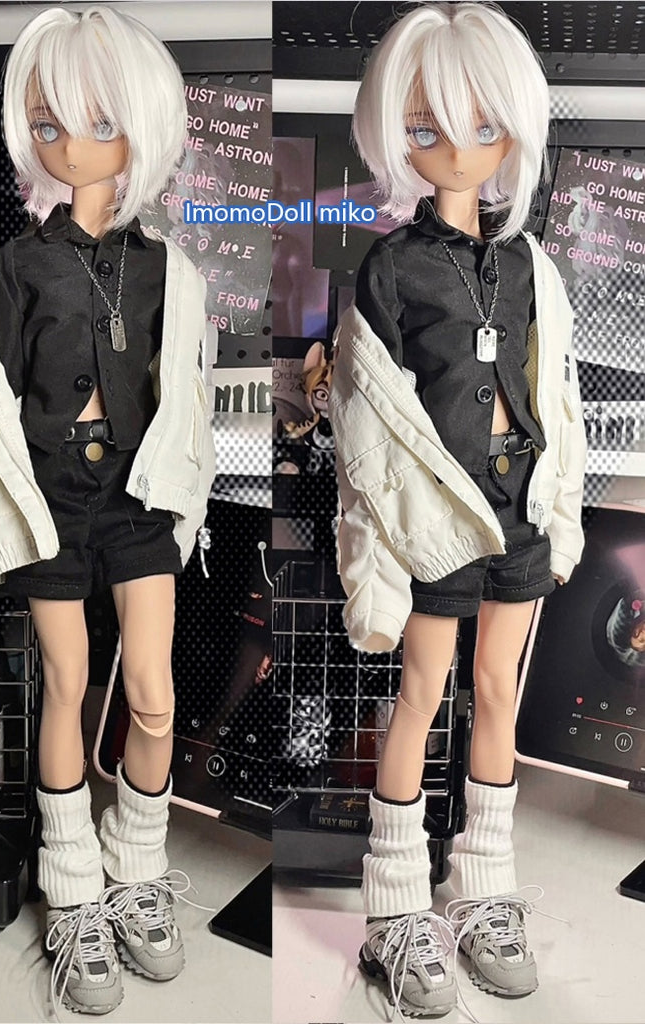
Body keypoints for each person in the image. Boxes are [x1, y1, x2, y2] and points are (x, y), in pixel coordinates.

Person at [0, 5, 216, 1016]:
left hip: (138, 499)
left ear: (141, 125)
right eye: (48, 123)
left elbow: (184, 398)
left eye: (97, 121)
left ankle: (134, 865)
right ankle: (71, 891)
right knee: (66, 683)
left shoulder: (168, 270)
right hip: (48, 501)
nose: (69, 143)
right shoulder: (16, 267)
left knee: (152, 693)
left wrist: (182, 492)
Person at [328, 2, 587, 1016]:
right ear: (396, 132)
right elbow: (368, 420)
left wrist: (557, 505)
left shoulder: (528, 263)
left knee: (496, 693)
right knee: (421, 692)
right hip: (438, 522)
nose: (458, 148)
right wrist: (392, 538)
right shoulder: (391, 267)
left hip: (519, 509)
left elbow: (554, 391)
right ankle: (395, 907)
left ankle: (481, 889)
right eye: (427, 127)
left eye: (483, 126)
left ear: (513, 131)